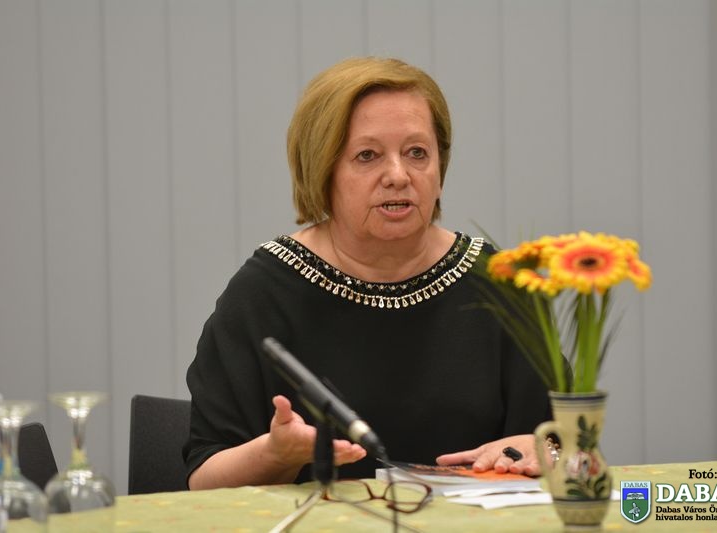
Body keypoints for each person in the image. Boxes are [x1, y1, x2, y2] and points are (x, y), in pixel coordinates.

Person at [183, 56, 552, 490]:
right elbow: (202, 481)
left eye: (417, 153)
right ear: (323, 171)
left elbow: (569, 446)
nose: (398, 175)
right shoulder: (263, 293)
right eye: (367, 156)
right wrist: (275, 455)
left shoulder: (498, 282)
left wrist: (545, 449)